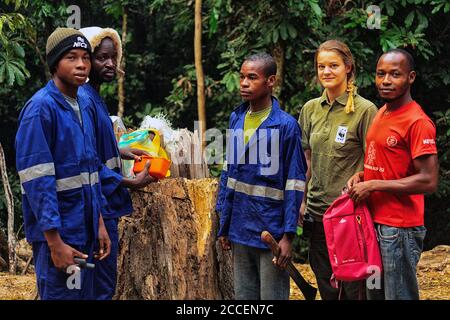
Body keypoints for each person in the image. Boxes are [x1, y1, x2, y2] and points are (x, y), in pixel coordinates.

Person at [15, 27, 110, 300]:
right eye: (71, 57)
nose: (81, 64)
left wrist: (100, 223)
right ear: (55, 63)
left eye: (85, 57)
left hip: (87, 232)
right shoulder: (41, 109)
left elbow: (91, 173)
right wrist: (55, 242)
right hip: (60, 237)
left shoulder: (82, 103)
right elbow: (37, 181)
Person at [347, 49, 439, 300]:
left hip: (398, 229)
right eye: (381, 74)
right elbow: (383, 161)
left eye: (395, 74)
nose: (386, 80)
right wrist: (362, 177)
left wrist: (374, 184)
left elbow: (428, 180)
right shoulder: (382, 112)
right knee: (374, 294)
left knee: (398, 296)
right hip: (372, 222)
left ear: (410, 77)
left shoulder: (417, 121)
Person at [216, 52, 307, 300]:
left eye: (252, 77)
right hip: (240, 229)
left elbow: (295, 183)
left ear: (271, 81)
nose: (244, 83)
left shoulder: (286, 126)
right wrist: (223, 225)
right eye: (242, 77)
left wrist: (289, 236)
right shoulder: (236, 119)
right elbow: (229, 174)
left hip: (272, 233)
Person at [79, 26, 155, 300]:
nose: (110, 63)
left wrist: (120, 149)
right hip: (98, 207)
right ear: (86, 59)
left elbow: (96, 147)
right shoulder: (84, 100)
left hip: (104, 205)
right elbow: (86, 162)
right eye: (102, 58)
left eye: (114, 57)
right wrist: (129, 181)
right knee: (99, 286)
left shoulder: (95, 98)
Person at [298, 39, 378, 300]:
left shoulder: (365, 110)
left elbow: (376, 164)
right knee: (326, 284)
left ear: (348, 68)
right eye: (321, 66)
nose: (326, 72)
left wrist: (362, 177)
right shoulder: (310, 109)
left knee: (353, 287)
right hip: (317, 212)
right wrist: (300, 200)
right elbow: (305, 161)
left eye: (333, 65)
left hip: (349, 215)